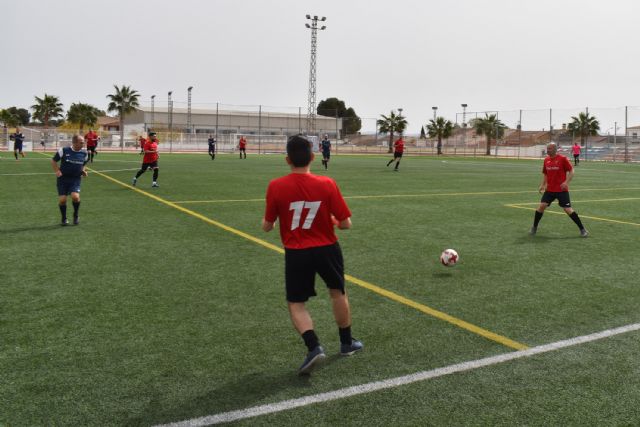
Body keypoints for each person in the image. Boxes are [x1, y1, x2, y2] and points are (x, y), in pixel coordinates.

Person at [262, 135, 363, 376]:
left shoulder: (276, 186)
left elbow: (267, 226)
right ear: (313, 157)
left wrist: (276, 222)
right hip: (327, 248)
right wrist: (334, 221)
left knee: (297, 303)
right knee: (338, 292)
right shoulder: (327, 183)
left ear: (287, 160)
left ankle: (313, 346)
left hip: (297, 252)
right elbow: (346, 224)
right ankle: (346, 343)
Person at [530, 142, 588, 237]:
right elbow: (545, 173)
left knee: (568, 209)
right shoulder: (546, 160)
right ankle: (534, 227)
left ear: (555, 149)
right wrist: (542, 185)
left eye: (550, 149)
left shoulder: (562, 159)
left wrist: (566, 182)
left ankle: (582, 229)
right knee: (541, 206)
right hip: (549, 190)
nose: (547, 150)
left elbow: (572, 171)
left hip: (561, 190)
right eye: (547, 148)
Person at [51, 134, 88, 225]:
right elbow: (53, 161)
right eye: (81, 142)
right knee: (62, 200)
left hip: (75, 179)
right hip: (62, 179)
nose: (83, 144)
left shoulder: (84, 153)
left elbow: (84, 163)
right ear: (74, 142)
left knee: (75, 197)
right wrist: (57, 171)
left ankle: (76, 215)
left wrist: (83, 171)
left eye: (83, 142)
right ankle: (64, 218)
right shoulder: (64, 150)